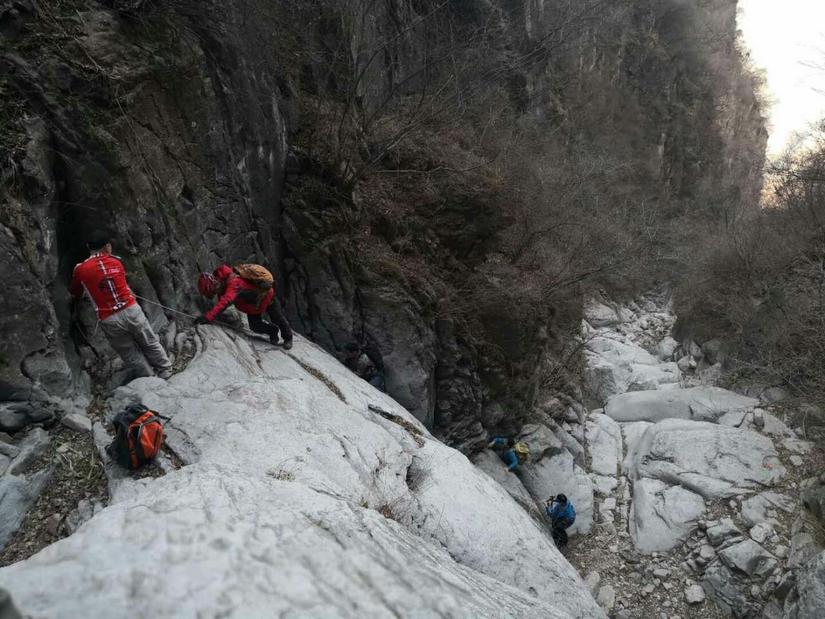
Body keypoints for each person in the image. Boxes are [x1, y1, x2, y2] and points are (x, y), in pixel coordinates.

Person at [69, 233, 172, 379]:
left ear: (89, 248)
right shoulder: (116, 262)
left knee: (128, 352)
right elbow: (123, 286)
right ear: (107, 247)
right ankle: (165, 370)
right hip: (131, 309)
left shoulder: (80, 269)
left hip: (109, 318)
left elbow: (75, 291)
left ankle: (149, 378)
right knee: (149, 341)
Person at [196, 264, 293, 349]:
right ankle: (273, 331)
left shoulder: (234, 282)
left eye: (214, 290)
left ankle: (288, 338)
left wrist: (207, 317)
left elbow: (226, 301)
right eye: (213, 292)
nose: (216, 292)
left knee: (277, 318)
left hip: (266, 297)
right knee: (255, 326)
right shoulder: (223, 286)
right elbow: (223, 300)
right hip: (254, 305)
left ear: (215, 282)